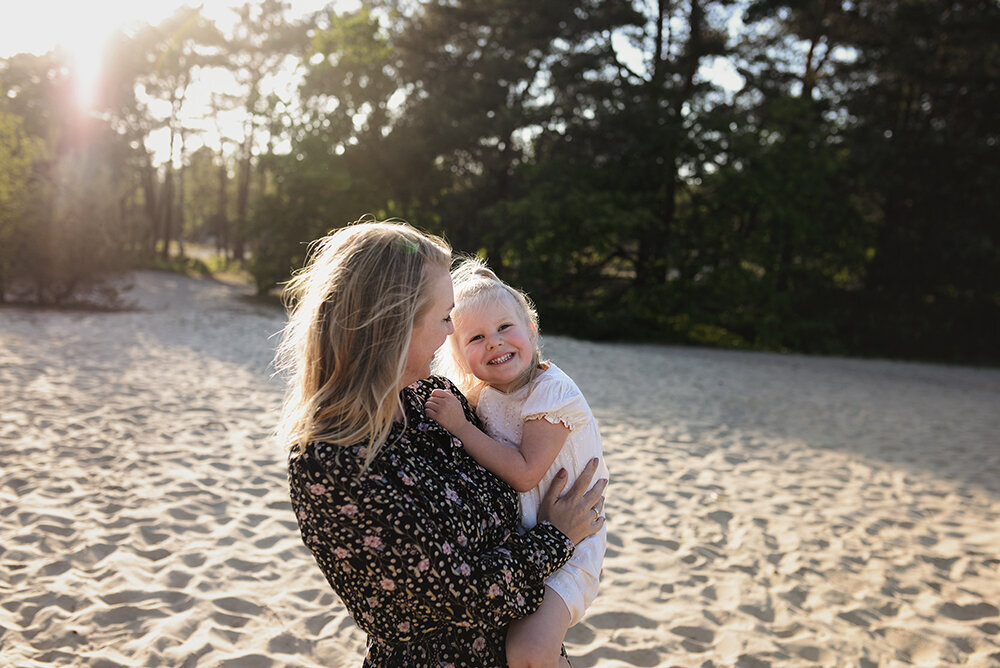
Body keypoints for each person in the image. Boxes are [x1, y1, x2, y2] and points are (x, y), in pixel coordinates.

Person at [278, 219, 607, 667]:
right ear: (393, 326)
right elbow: (461, 596)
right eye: (443, 317)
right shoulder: (329, 462)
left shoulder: (433, 400)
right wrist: (555, 537)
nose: (449, 330)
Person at [425, 257, 609, 668]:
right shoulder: (486, 395)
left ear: (531, 328)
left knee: (529, 653)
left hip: (573, 542)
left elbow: (526, 474)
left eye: (505, 327)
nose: (494, 342)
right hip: (530, 545)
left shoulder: (553, 391)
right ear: (458, 358)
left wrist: (462, 428)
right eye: (476, 338)